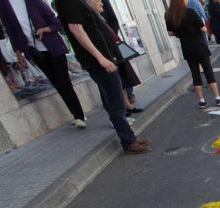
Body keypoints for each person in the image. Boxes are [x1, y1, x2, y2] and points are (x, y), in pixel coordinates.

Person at [52, 0, 150, 153]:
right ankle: (128, 142)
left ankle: (130, 138)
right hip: (100, 62)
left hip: (105, 59)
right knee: (116, 104)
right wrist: (101, 58)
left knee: (115, 102)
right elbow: (76, 29)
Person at [0, 0, 87, 128]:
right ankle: (77, 114)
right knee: (57, 83)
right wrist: (19, 53)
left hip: (53, 48)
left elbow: (57, 23)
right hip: (35, 52)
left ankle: (79, 116)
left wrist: (45, 29)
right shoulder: (3, 4)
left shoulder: (34, 2)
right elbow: (11, 31)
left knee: (64, 82)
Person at [166, 0, 220, 109]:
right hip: (199, 46)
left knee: (195, 75)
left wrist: (181, 33)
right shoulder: (190, 12)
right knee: (208, 72)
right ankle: (217, 98)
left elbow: (170, 33)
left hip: (187, 48)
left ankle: (202, 101)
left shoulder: (169, 15)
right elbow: (203, 28)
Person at [90, 0, 141, 118]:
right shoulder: (87, 14)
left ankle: (127, 105)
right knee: (112, 84)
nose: (101, 3)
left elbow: (113, 20)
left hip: (113, 45)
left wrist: (111, 39)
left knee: (122, 77)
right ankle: (120, 115)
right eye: (98, 1)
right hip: (103, 53)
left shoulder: (101, 14)